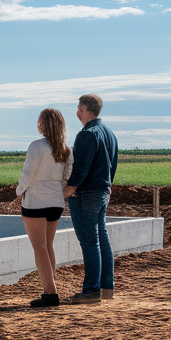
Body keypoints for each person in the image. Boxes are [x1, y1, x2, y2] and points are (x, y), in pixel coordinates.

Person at [64, 94, 118, 304]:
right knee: (101, 238)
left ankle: (91, 290)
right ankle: (106, 287)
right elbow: (111, 167)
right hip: (103, 192)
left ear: (86, 109)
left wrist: (68, 190)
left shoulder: (87, 134)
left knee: (89, 241)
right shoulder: (110, 134)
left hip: (86, 194)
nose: (77, 112)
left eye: (79, 108)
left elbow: (80, 169)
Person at [15, 108, 73, 308]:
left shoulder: (36, 146)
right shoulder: (66, 149)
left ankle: (50, 293)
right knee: (48, 246)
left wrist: (19, 191)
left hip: (36, 201)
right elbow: (66, 177)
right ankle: (50, 288)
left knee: (39, 247)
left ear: (43, 124)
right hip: (56, 202)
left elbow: (28, 173)